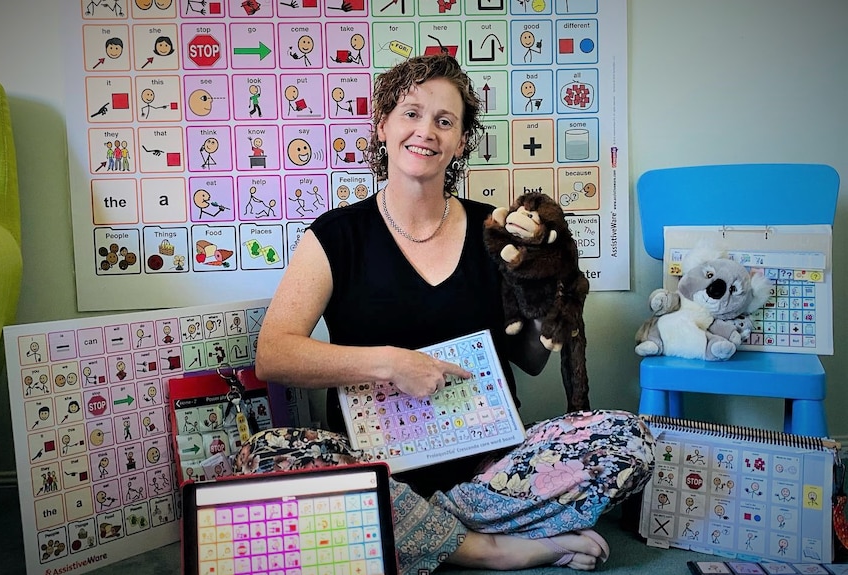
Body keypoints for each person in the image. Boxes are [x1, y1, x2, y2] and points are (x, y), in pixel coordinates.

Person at [249, 54, 655, 574]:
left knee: (629, 441)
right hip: (375, 468)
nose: (426, 131)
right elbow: (273, 354)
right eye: (411, 114)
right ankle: (482, 548)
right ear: (382, 126)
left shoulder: (496, 232)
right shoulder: (335, 236)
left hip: (487, 473)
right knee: (270, 456)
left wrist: (555, 297)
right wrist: (390, 364)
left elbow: (528, 359)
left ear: (461, 141)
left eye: (445, 121)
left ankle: (416, 531)